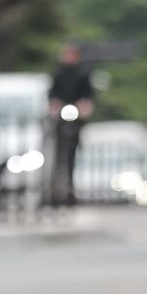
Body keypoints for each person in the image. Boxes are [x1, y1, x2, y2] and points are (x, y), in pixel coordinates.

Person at [44, 42, 97, 207]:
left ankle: (70, 188)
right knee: (56, 149)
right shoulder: (59, 73)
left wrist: (84, 106)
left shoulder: (83, 74)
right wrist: (54, 106)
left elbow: (88, 96)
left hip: (75, 116)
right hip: (61, 116)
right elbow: (53, 94)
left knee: (72, 150)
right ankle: (55, 187)